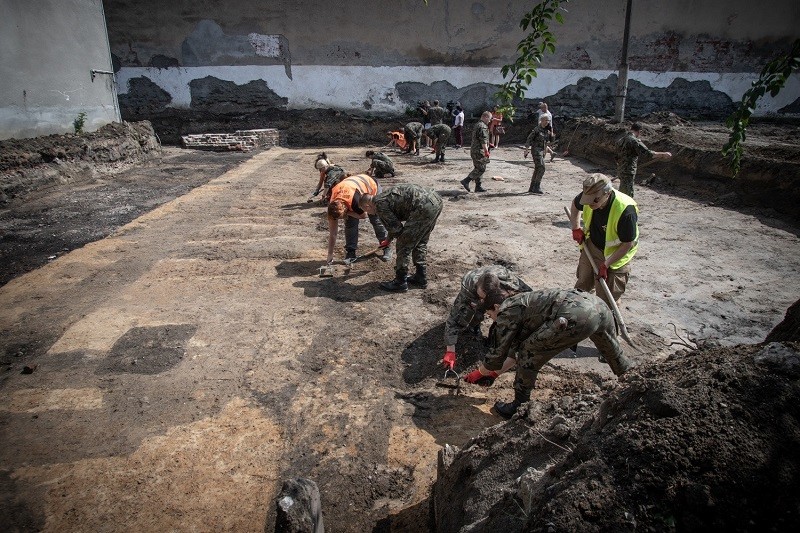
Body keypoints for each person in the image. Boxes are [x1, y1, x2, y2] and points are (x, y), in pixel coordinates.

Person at [464, 286, 636, 418]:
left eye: (489, 314)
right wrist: (493, 374)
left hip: (575, 315)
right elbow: (513, 354)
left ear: (495, 306)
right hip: (598, 305)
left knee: (528, 353)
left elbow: (499, 355)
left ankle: (520, 405)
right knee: (611, 350)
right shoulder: (524, 301)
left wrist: (479, 372)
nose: (491, 318)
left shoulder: (506, 311)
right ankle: (635, 380)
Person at [441, 266, 532, 371]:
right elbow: (454, 318)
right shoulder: (470, 287)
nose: (483, 301)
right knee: (472, 312)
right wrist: (450, 351)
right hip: (474, 291)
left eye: (486, 299)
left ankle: (494, 336)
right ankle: (474, 326)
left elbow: (528, 297)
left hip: (499, 288)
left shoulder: (508, 282)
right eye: (482, 297)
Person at [568, 173, 638, 308]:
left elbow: (627, 244)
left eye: (595, 200)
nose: (590, 203)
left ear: (607, 193)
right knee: (582, 287)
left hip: (616, 255)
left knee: (607, 300)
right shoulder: (590, 196)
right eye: (588, 200)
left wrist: (606, 264)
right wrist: (575, 228)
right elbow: (575, 205)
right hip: (593, 246)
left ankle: (609, 325)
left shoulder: (625, 210)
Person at [359, 184, 443, 292]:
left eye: (366, 211)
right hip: (435, 200)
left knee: (403, 245)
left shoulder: (379, 205)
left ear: (367, 206)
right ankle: (420, 277)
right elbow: (393, 224)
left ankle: (400, 282)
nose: (368, 213)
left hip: (423, 206)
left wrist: (400, 240)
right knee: (420, 241)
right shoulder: (382, 198)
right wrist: (387, 240)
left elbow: (397, 229)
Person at [326, 174, 392, 265]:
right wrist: (329, 254)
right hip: (351, 189)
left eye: (341, 217)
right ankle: (351, 253)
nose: (339, 220)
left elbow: (364, 215)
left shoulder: (355, 202)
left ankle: (386, 247)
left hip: (371, 186)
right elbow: (333, 233)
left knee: (375, 219)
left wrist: (348, 213)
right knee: (350, 223)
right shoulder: (332, 206)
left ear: (345, 209)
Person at [616, 122, 672, 197]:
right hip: (628, 171)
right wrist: (663, 154)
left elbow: (616, 155)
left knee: (622, 191)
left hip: (621, 169)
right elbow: (647, 153)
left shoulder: (622, 139)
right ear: (639, 131)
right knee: (627, 194)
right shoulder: (634, 141)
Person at [460, 111, 492, 193]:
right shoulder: (483, 126)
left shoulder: (478, 124)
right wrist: (486, 151)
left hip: (475, 150)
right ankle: (466, 181)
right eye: (489, 119)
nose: (490, 121)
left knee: (477, 168)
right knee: (481, 168)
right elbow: (483, 140)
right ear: (485, 117)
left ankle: (478, 186)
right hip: (479, 151)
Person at [523, 114, 555, 195]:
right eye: (546, 120)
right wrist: (526, 150)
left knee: (537, 168)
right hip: (536, 151)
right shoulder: (537, 129)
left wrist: (551, 133)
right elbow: (529, 139)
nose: (547, 122)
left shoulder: (546, 130)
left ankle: (532, 187)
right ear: (541, 120)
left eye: (548, 121)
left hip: (542, 151)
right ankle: (537, 187)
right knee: (542, 167)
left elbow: (551, 141)